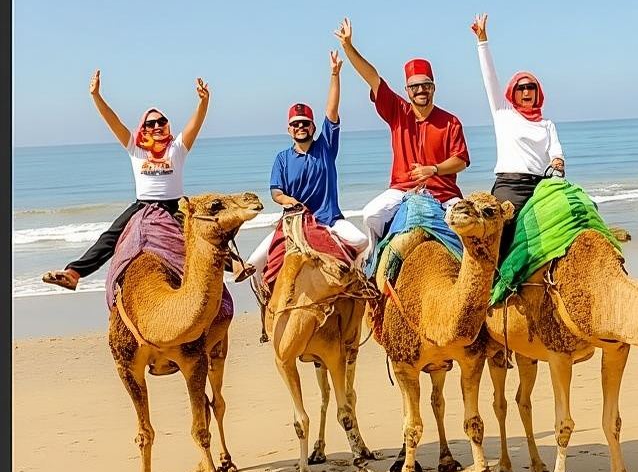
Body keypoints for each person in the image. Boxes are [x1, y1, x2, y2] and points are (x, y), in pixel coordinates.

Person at [42, 71, 210, 290]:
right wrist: (96, 96)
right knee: (110, 236)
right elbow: (114, 121)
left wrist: (203, 102)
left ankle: (236, 266)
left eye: (161, 121)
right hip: (143, 205)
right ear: (144, 128)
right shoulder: (135, 148)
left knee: (203, 235)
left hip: (174, 206)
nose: (157, 126)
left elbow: (195, 123)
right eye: (151, 123)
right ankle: (74, 273)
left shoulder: (177, 147)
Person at [333, 17, 470, 246]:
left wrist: (433, 170)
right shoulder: (398, 111)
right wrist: (348, 47)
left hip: (444, 194)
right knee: (371, 214)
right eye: (415, 86)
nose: (421, 90)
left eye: (425, 85)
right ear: (407, 90)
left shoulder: (450, 121)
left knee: (470, 225)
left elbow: (461, 160)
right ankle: (375, 262)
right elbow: (372, 78)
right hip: (402, 190)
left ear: (433, 87)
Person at [236, 50, 369, 285]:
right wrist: (288, 201)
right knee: (252, 266)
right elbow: (276, 192)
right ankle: (267, 306)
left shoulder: (325, 147)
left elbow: (332, 110)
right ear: (289, 130)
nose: (300, 127)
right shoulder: (282, 159)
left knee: (362, 242)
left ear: (313, 127)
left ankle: (358, 283)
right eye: (295, 124)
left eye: (305, 123)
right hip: (294, 221)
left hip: (329, 220)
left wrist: (334, 74)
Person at [470, 12, 565, 255]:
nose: (526, 92)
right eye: (521, 88)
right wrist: (483, 40)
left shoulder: (547, 124)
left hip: (542, 185)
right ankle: (496, 282)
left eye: (530, 87)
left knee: (571, 220)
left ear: (537, 92)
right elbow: (489, 77)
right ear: (513, 92)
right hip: (510, 186)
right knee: (502, 233)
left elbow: (556, 153)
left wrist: (557, 162)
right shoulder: (503, 113)